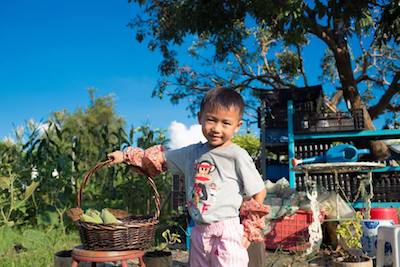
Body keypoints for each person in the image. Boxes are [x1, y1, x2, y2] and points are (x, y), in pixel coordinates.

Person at [107, 88, 268, 267]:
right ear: (200, 118)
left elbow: (259, 192)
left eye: (225, 123)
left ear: (237, 126)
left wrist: (248, 230)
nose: (216, 128)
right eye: (211, 120)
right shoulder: (191, 154)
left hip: (227, 230)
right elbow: (159, 158)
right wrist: (124, 156)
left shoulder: (237, 155)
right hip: (199, 231)